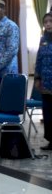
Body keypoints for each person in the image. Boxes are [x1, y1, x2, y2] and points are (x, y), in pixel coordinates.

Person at [34, 12, 52, 151]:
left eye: (50, 21)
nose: (47, 24)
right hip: (46, 82)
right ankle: (51, 140)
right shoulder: (43, 39)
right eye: (45, 22)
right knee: (47, 112)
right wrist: (37, 78)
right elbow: (39, 60)